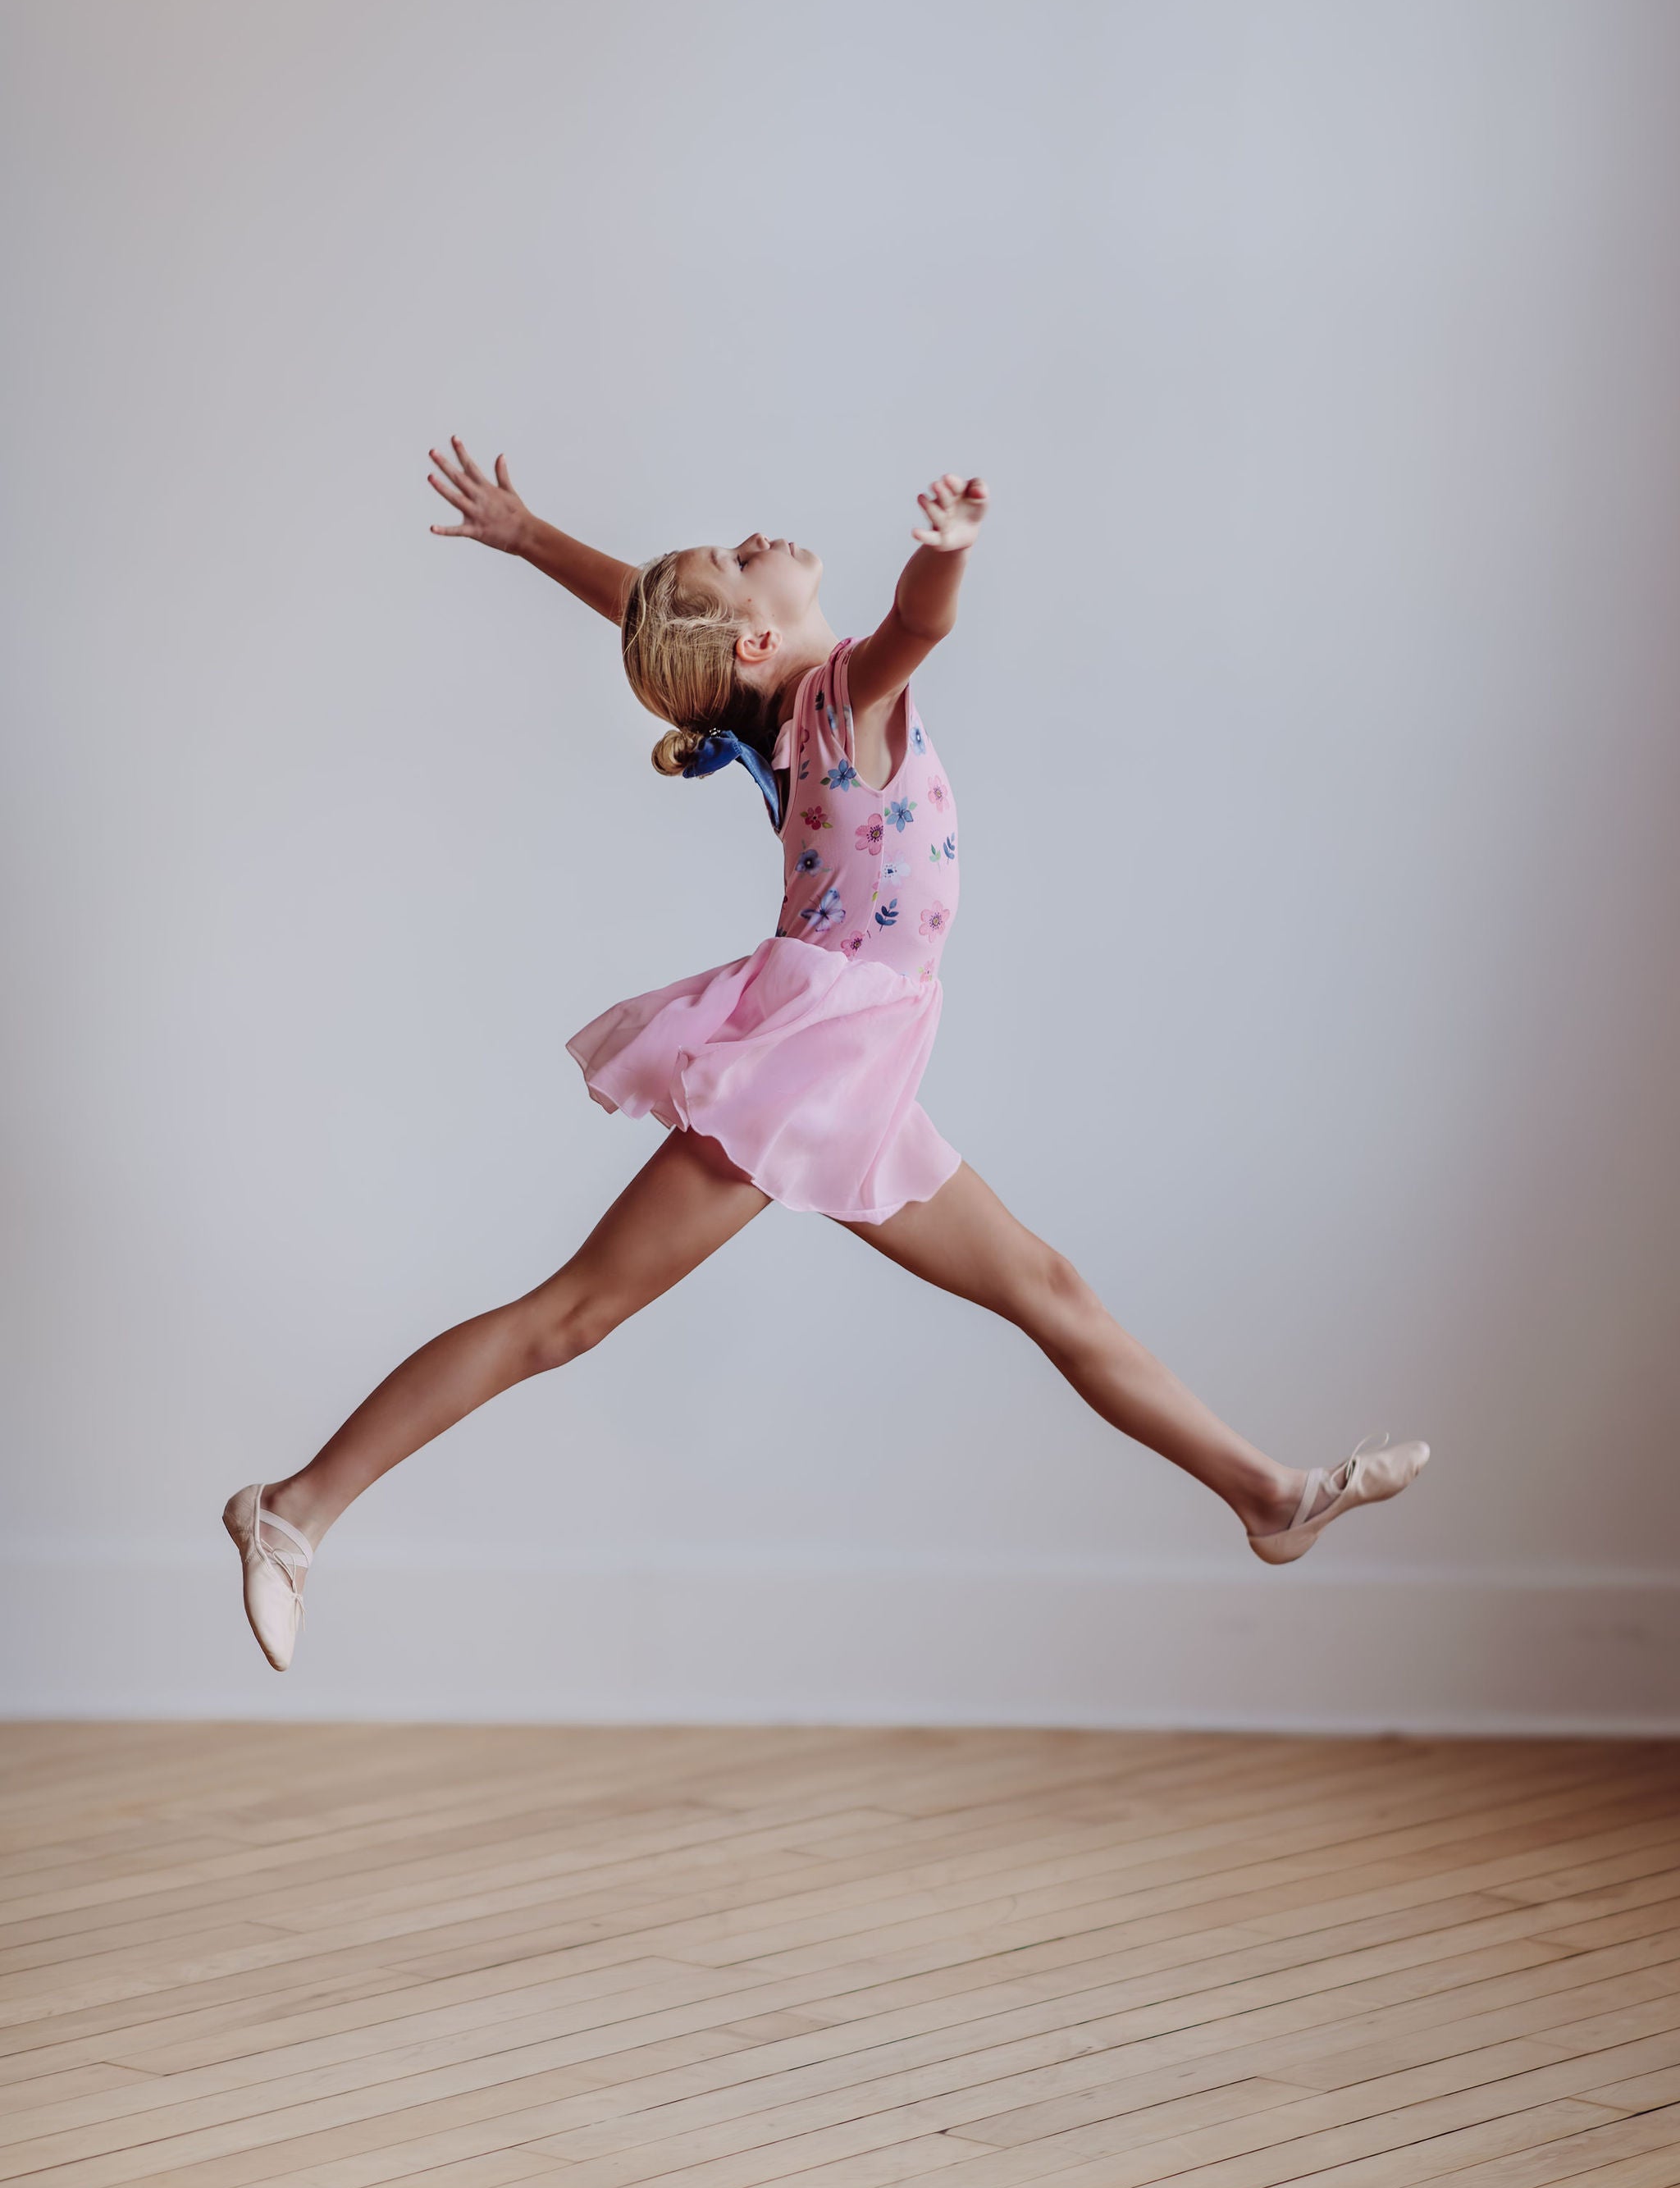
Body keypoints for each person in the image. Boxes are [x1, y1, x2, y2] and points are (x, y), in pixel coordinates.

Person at [224, 440, 1429, 1670]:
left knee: (1048, 1291)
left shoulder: (769, 717)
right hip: (809, 1058)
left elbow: (666, 617)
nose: (758, 538)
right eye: (742, 561)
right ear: (757, 641)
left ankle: (1268, 1499)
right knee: (571, 1315)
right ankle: (294, 1509)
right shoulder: (834, 703)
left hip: (855, 1063)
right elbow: (917, 623)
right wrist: (945, 553)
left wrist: (534, 536)